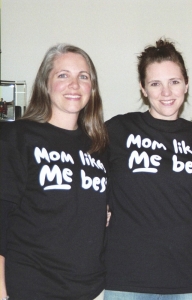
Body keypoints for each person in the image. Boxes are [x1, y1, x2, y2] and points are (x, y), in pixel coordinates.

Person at [0, 44, 109, 299]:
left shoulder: (99, 146)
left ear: (91, 88)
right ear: (45, 85)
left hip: (92, 290)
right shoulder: (16, 137)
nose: (74, 84)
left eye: (83, 76)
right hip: (32, 287)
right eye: (63, 75)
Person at [104, 39, 192, 299]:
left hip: (190, 279)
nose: (166, 92)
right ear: (143, 88)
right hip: (126, 279)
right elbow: (84, 178)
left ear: (186, 83)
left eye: (174, 82)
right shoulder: (118, 130)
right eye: (155, 83)